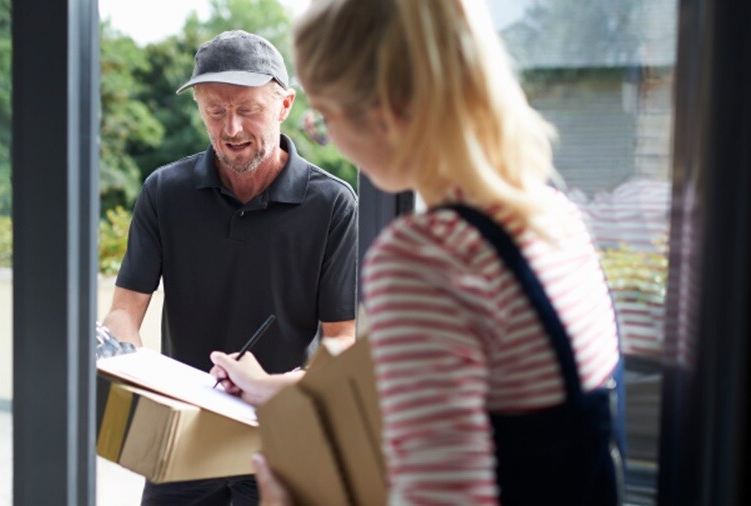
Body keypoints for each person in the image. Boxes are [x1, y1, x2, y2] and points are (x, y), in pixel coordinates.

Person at [210, 1, 625, 504]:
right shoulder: (552, 217)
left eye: (326, 117)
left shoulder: (426, 257)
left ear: (383, 114)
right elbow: (476, 394)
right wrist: (269, 387)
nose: (329, 138)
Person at [100, 29, 359, 506]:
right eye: (215, 111)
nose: (231, 129)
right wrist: (124, 365)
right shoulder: (164, 192)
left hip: (280, 439)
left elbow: (342, 340)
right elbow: (123, 312)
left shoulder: (333, 204)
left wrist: (275, 388)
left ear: (284, 106)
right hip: (180, 433)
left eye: (248, 109)